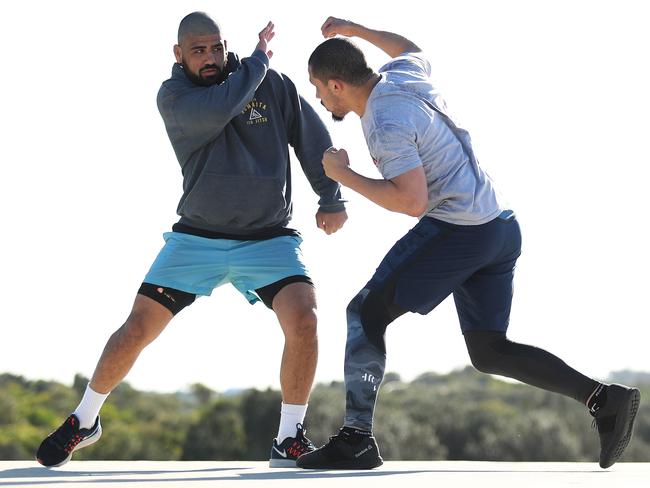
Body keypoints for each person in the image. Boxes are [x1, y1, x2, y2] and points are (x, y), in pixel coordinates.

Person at [296, 16, 640, 470]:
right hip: (499, 226)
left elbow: (412, 201)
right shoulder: (401, 75)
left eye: (318, 88)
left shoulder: (384, 120)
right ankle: (603, 399)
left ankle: (356, 437)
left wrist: (344, 176)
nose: (319, 98)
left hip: (460, 231)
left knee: (364, 313)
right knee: (488, 350)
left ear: (336, 84)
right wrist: (356, 30)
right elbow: (408, 45)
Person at [36, 12, 348, 469]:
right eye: (198, 50)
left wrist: (331, 196)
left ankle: (288, 436)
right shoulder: (176, 96)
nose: (209, 58)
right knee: (136, 330)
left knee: (305, 319)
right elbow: (222, 106)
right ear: (178, 53)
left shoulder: (273, 85)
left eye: (216, 48)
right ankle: (84, 420)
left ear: (225, 46)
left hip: (268, 237)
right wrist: (258, 60)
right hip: (197, 238)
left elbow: (311, 139)